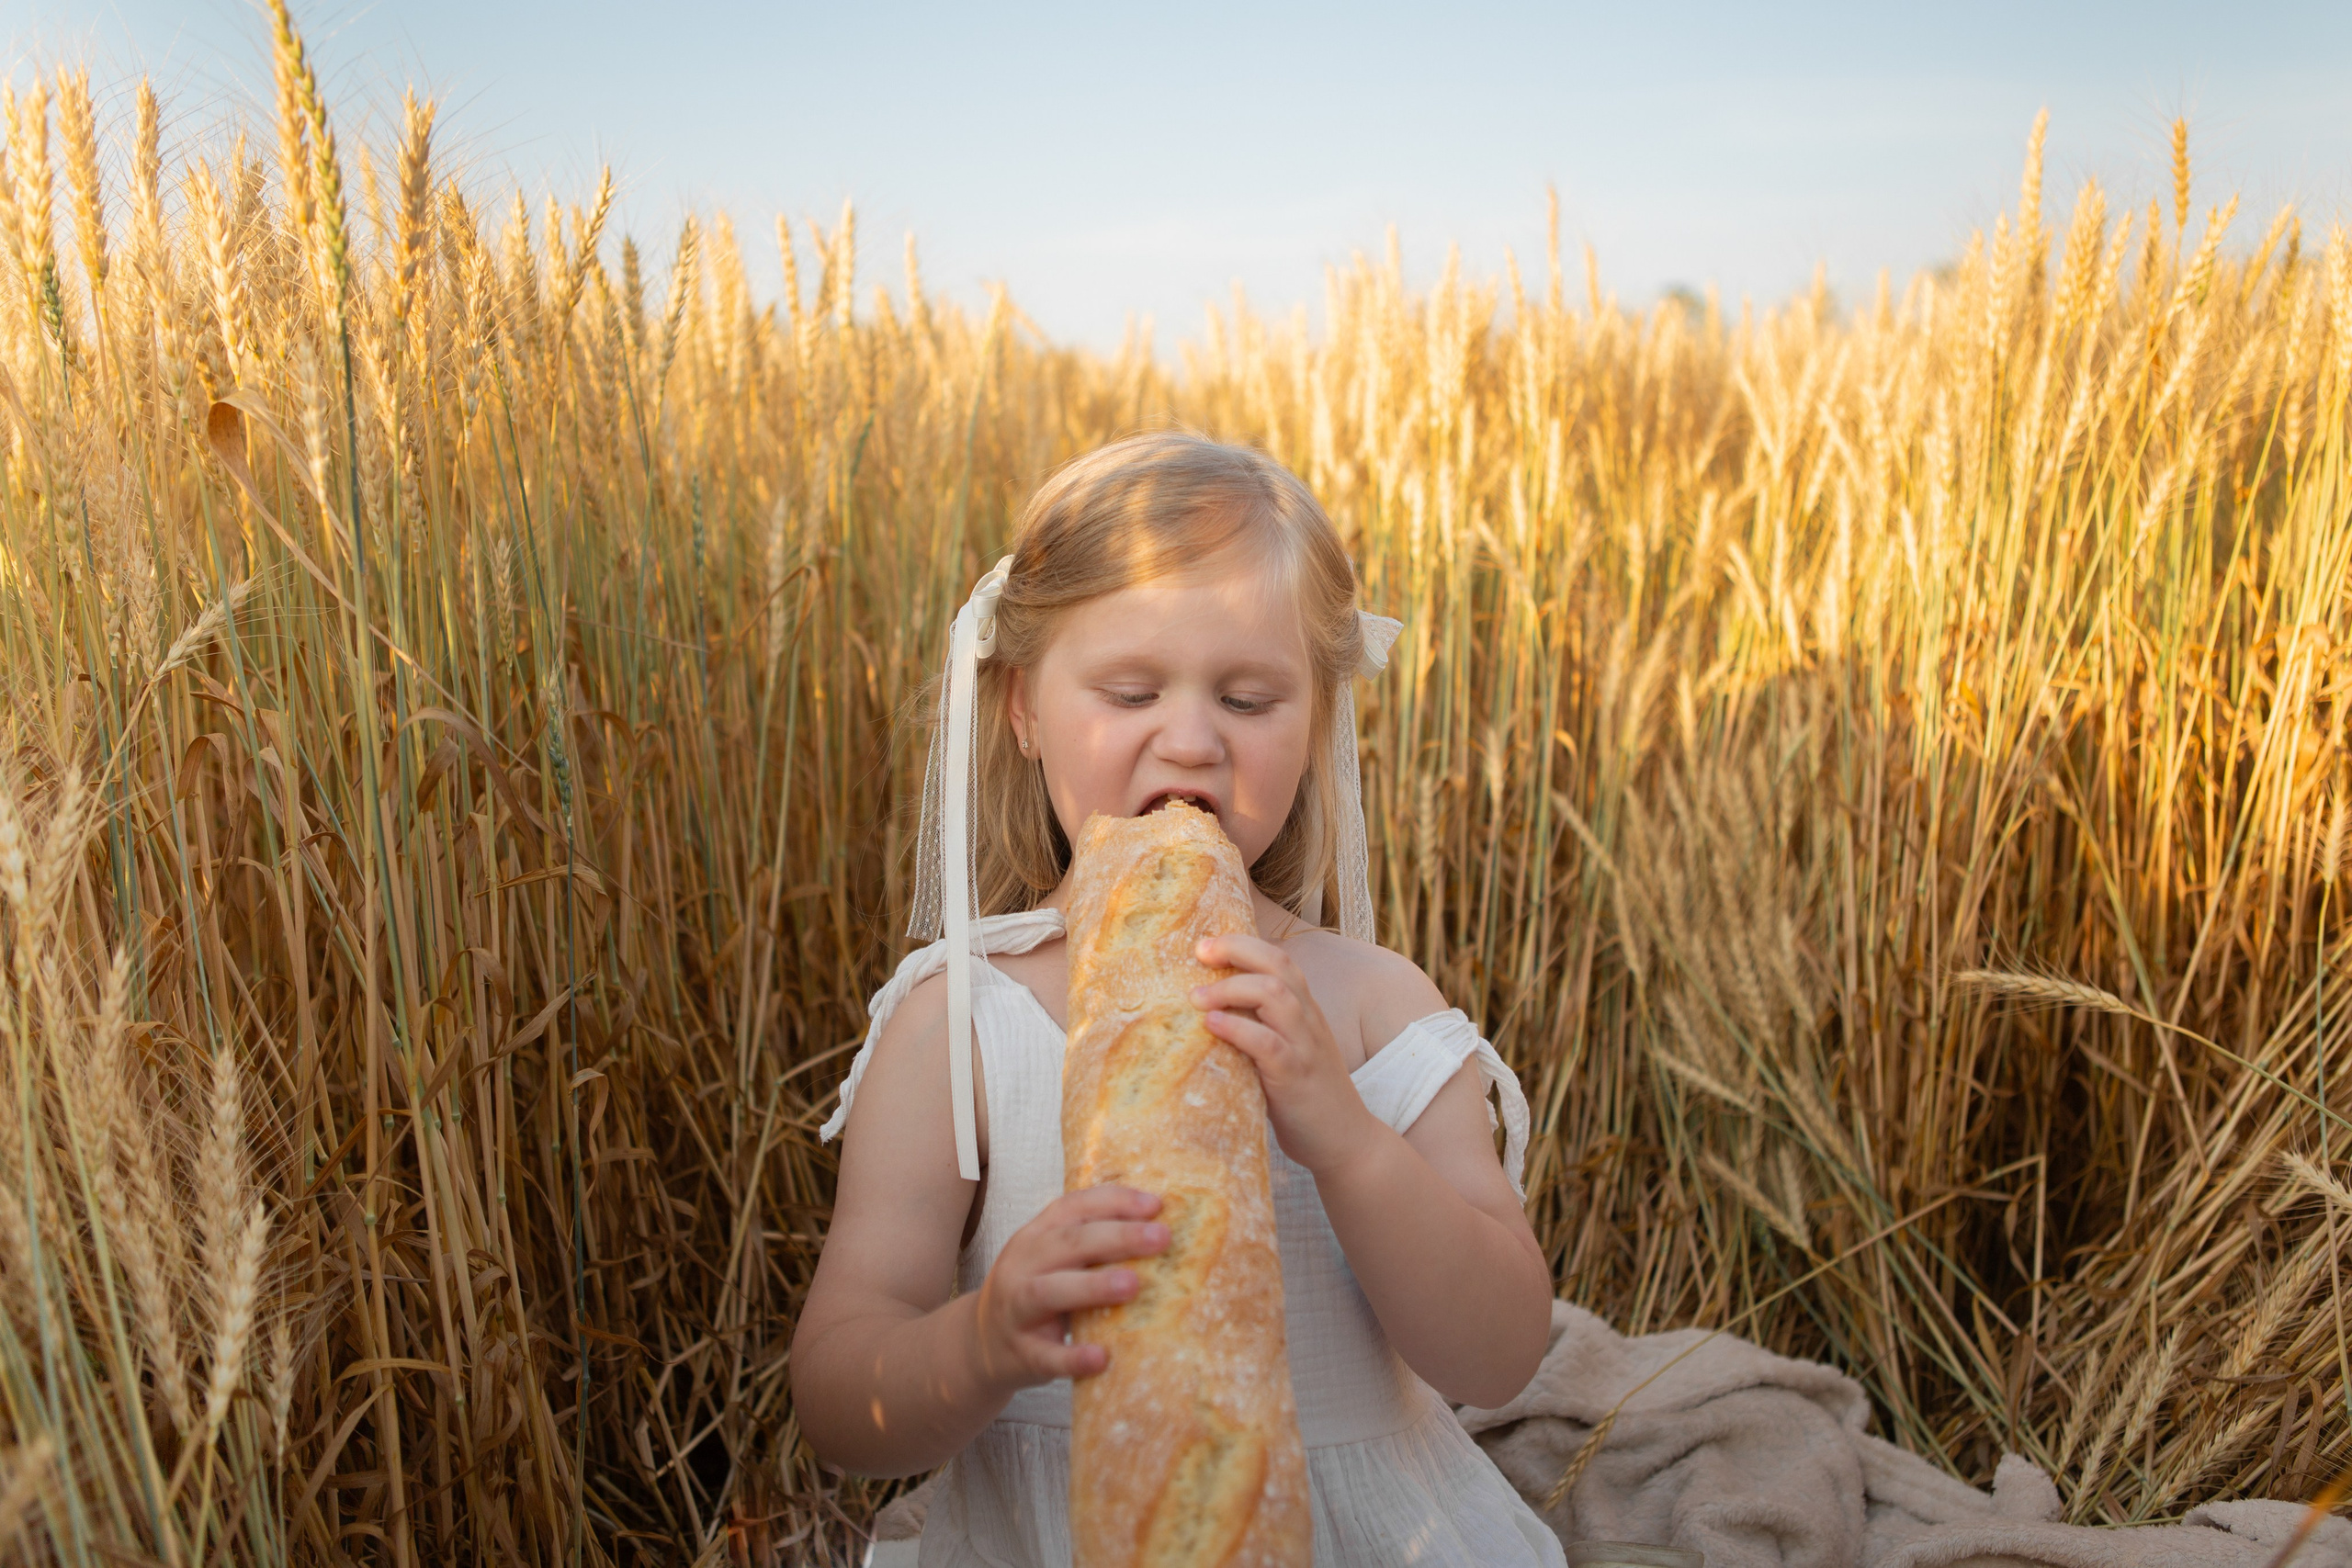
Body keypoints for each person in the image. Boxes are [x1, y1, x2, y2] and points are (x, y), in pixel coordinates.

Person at [792, 431, 1566, 1565]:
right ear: (1020, 708)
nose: (1193, 739)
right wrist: (983, 1339)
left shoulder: (1366, 1005)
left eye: (1251, 698)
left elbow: (1499, 1353)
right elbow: (836, 1396)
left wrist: (1345, 1139)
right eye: (1131, 690)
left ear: (1316, 725)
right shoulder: (958, 1024)